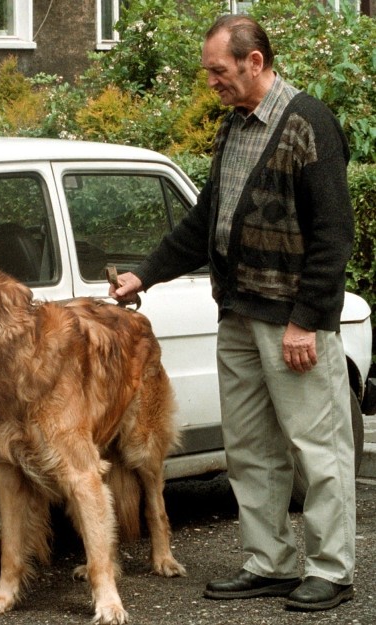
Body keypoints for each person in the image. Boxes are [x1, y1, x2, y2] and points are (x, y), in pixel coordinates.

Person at [110, 14, 356, 612]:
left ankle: (332, 569)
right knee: (250, 447)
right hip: (239, 315)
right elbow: (205, 222)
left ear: (254, 61)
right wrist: (145, 272)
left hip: (291, 322)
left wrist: (307, 319)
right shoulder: (233, 128)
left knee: (315, 447)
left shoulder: (308, 123)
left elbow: (334, 234)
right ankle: (270, 561)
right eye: (208, 71)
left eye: (219, 71)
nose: (212, 82)